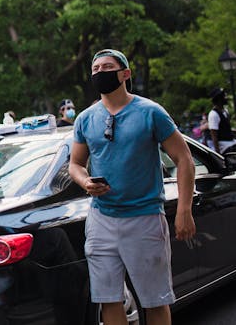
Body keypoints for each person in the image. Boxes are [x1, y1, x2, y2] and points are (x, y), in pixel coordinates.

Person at [68, 49, 196, 325]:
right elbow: (75, 164)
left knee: (155, 299)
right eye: (96, 68)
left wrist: (185, 209)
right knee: (108, 298)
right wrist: (85, 181)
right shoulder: (85, 119)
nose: (101, 72)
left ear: (125, 74)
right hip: (101, 219)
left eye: (108, 67)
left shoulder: (151, 112)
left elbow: (184, 158)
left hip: (145, 217)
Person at [207, 87, 235, 155]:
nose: (226, 98)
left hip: (232, 143)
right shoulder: (213, 114)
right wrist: (218, 154)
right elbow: (214, 136)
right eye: (224, 96)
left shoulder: (225, 111)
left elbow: (225, 129)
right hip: (225, 147)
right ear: (219, 99)